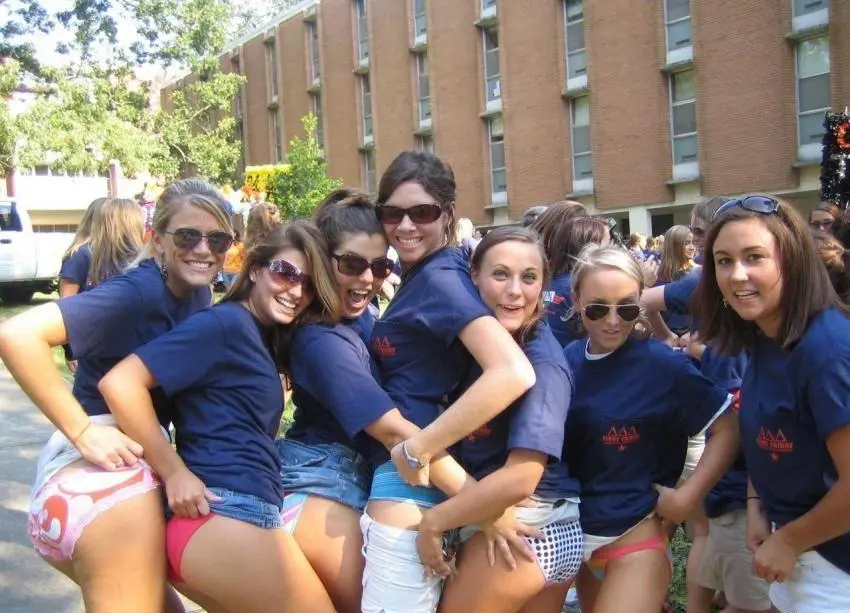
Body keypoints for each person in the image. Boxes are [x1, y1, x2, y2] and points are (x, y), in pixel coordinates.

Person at [0, 179, 232, 613]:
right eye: (187, 236)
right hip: (101, 478)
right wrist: (83, 430)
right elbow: (17, 335)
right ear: (156, 240)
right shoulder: (137, 292)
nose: (203, 249)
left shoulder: (195, 291)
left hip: (128, 468)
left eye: (217, 239)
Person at [99, 221, 339, 613]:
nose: (296, 291)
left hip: (235, 515)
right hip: (223, 510)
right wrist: (174, 472)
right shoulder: (224, 324)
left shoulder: (258, 333)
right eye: (286, 273)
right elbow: (120, 383)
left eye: (309, 285)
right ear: (256, 269)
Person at [361, 150, 536, 613]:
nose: (405, 226)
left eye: (422, 212)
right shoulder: (431, 272)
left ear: (448, 214)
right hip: (434, 481)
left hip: (411, 483)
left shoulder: (440, 279)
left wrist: (418, 448)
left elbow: (513, 371)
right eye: (392, 213)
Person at [694, 194, 850, 613]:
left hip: (836, 568)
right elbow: (769, 434)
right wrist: (756, 504)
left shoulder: (828, 351)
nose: (737, 274)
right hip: (796, 555)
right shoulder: (766, 336)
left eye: (754, 257)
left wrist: (790, 540)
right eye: (723, 261)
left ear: (792, 259)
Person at [563, 244, 739, 613]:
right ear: (577, 301)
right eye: (598, 308)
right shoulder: (566, 361)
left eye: (627, 308)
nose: (613, 321)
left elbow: (728, 429)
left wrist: (687, 498)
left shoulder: (663, 366)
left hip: (635, 540)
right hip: (577, 541)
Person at [418, 227, 583, 613]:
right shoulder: (487, 342)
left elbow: (521, 477)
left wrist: (434, 523)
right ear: (473, 276)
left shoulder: (541, 363)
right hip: (538, 525)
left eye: (529, 278)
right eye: (500, 275)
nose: (515, 291)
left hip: (529, 525)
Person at [536, 215, 608, 348]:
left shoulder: (549, 281)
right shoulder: (582, 286)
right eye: (606, 244)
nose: (611, 250)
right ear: (590, 248)